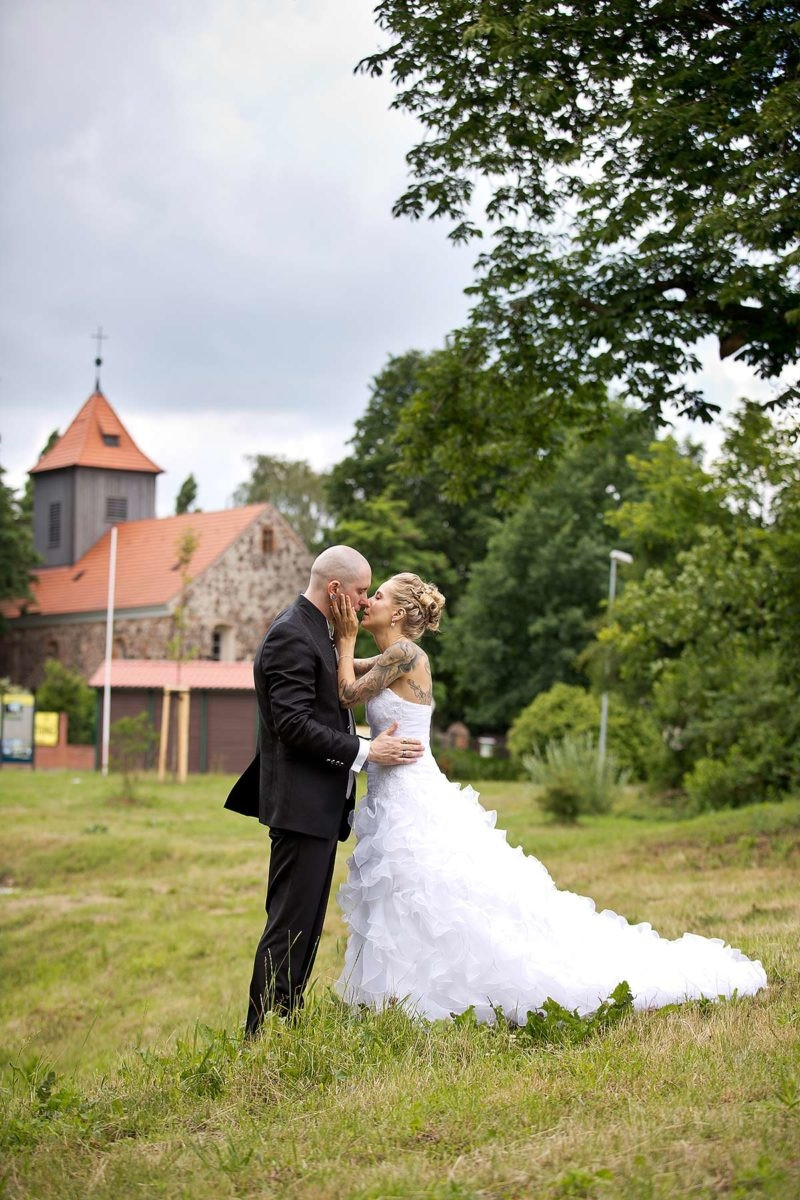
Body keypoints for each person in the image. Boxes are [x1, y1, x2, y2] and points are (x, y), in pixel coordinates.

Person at [330, 572, 767, 1023]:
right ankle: (401, 995)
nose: (367, 603)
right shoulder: (392, 656)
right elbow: (352, 672)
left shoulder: (404, 653)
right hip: (396, 792)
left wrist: (343, 640)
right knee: (407, 892)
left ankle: (431, 994)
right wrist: (337, 647)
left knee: (427, 891)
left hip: (410, 795)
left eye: (376, 596)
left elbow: (346, 691)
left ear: (398, 613)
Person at [224, 546, 424, 1036]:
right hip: (299, 805)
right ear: (335, 589)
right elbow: (293, 723)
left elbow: (345, 686)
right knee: (289, 926)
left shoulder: (319, 630)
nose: (361, 603)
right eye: (360, 592)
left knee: (305, 926)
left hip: (316, 806)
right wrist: (364, 751)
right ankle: (262, 1034)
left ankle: (283, 1026)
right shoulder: (291, 634)